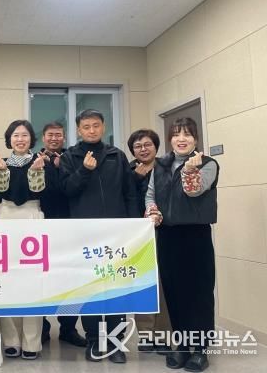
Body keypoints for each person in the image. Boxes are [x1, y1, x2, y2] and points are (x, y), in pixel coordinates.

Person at [59, 109, 139, 364]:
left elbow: (129, 193)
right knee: (90, 289)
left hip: (117, 233)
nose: (91, 130)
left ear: (103, 127)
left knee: (116, 287)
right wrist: (84, 170)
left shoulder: (117, 155)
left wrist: (133, 226)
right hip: (85, 233)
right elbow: (67, 190)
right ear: (78, 130)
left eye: (96, 125)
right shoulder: (70, 157)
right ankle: (94, 340)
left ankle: (116, 343)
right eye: (86, 126)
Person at [145, 118, 218, 372]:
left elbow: (194, 191)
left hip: (195, 235)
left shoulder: (208, 163)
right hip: (167, 236)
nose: (181, 138)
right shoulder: (160, 165)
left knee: (198, 292)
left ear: (195, 139)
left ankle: (200, 350)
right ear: (170, 139)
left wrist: (189, 170)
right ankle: (183, 346)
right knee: (174, 293)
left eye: (187, 134)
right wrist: (153, 212)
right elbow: (150, 195)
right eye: (176, 134)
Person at [0, 120, 46, 360]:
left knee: (32, 281)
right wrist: (0, 171)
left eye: (24, 135)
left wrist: (37, 171)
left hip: (32, 216)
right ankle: (10, 341)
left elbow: (41, 192)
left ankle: (31, 343)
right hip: (5, 217)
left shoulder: (40, 161)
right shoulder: (2, 163)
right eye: (15, 135)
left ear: (31, 139)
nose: (20, 139)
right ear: (9, 139)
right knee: (6, 279)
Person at [37, 122, 87, 348]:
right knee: (42, 280)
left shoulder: (72, 159)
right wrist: (48, 168)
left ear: (64, 138)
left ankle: (68, 328)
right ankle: (43, 328)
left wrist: (59, 168)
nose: (54, 138)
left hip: (70, 226)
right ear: (43, 138)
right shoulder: (35, 159)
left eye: (58, 135)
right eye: (50, 135)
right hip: (42, 227)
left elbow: (74, 187)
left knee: (70, 279)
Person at [126, 129, 172, 354]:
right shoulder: (127, 171)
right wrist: (135, 178)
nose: (143, 149)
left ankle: (162, 335)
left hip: (165, 231)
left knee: (163, 284)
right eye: (138, 146)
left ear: (156, 146)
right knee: (142, 282)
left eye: (147, 145)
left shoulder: (167, 167)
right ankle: (145, 334)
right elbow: (124, 197)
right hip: (137, 234)